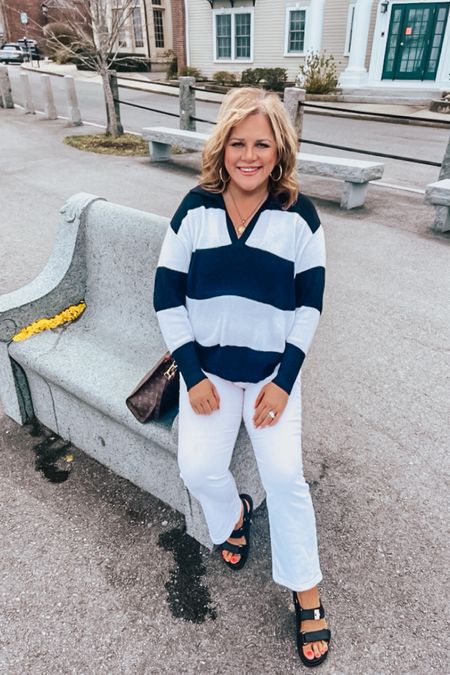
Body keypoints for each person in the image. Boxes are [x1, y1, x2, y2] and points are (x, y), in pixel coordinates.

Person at [153, 87, 331, 667]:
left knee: (285, 479)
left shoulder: (298, 215)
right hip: (210, 375)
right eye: (238, 142)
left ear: (279, 150)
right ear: (222, 146)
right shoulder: (195, 207)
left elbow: (309, 306)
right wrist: (194, 373)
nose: (249, 155)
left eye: (262, 143)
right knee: (197, 467)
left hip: (272, 376)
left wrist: (284, 382)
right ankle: (234, 515)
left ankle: (306, 591)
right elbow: (165, 295)